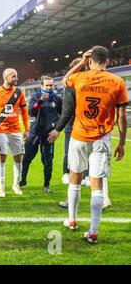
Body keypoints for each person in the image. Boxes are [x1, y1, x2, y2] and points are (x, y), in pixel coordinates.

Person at [60, 46, 127, 244]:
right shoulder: (118, 81)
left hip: (79, 136)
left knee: (75, 179)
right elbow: (122, 117)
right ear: (108, 61)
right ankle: (93, 231)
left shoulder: (80, 77)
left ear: (90, 60)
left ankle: (72, 220)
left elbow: (64, 80)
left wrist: (81, 62)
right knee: (97, 185)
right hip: (102, 138)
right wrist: (121, 143)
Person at [47, 59, 93, 208]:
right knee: (96, 162)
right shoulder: (96, 82)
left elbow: (66, 111)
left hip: (78, 127)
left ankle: (72, 210)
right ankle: (103, 198)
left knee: (75, 161)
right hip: (97, 127)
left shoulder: (73, 84)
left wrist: (57, 129)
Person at [0, 68, 30, 197]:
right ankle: (1, 187)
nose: (16, 78)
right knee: (1, 158)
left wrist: (27, 129)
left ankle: (16, 184)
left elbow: (25, 112)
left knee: (18, 158)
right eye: (13, 76)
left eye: (16, 76)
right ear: (6, 77)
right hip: (1, 131)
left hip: (16, 131)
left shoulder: (19, 92)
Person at [20, 76, 62, 192]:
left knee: (48, 161)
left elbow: (63, 116)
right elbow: (31, 112)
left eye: (51, 85)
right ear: (41, 86)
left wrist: (56, 128)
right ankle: (22, 180)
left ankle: (46, 186)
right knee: (26, 158)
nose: (49, 87)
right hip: (34, 132)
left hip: (49, 134)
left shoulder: (57, 98)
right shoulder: (36, 96)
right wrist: (40, 101)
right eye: (47, 85)